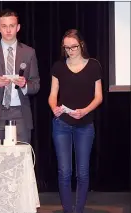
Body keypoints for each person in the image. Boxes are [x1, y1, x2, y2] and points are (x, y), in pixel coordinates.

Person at [48, 29, 103, 213]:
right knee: (64, 172)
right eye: (67, 48)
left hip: (85, 124)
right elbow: (52, 95)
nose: (70, 51)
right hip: (62, 124)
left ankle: (78, 210)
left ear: (81, 45)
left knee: (83, 172)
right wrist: (54, 107)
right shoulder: (58, 67)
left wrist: (84, 111)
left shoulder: (94, 66)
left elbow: (98, 97)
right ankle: (67, 210)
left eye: (74, 47)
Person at [0, 9, 40, 143]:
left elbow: (36, 85)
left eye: (12, 26)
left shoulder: (29, 53)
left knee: (20, 158)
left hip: (20, 114)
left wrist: (24, 85)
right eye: (4, 26)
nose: (8, 30)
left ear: (18, 27)